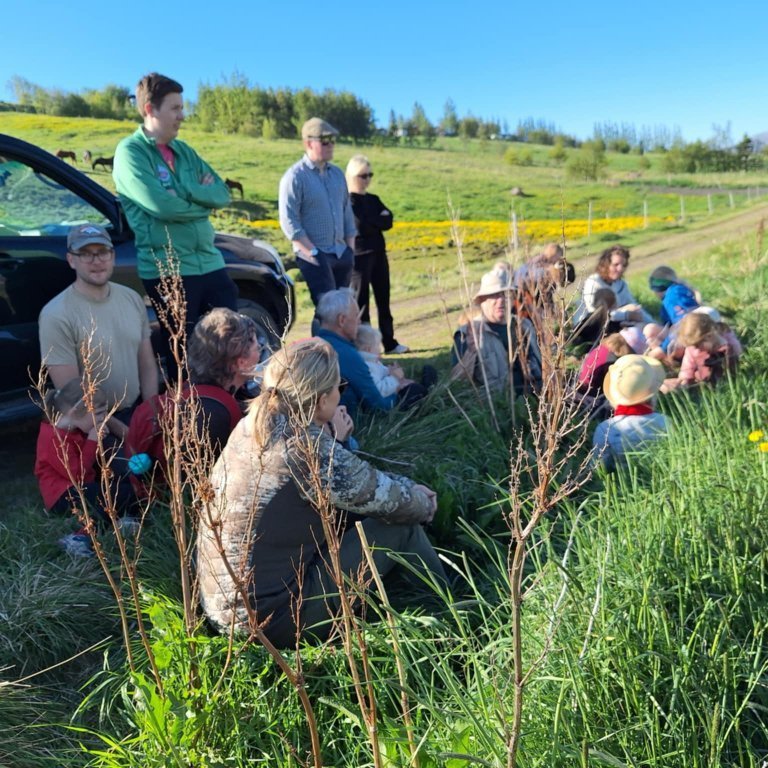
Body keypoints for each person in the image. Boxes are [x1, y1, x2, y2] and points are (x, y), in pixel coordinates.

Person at [197, 338, 446, 648]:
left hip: (224, 610)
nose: (340, 393)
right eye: (338, 386)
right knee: (400, 527)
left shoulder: (252, 425)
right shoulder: (305, 448)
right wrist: (422, 501)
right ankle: (451, 614)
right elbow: (386, 499)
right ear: (319, 399)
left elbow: (354, 486)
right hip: (270, 621)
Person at [113, 72, 238, 370]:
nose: (182, 116)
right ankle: (186, 414)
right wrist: (200, 202)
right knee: (184, 358)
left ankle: (226, 408)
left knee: (231, 346)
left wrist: (185, 191)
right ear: (150, 110)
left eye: (182, 107)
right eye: (175, 108)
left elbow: (221, 194)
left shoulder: (184, 151)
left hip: (210, 262)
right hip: (169, 270)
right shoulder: (130, 153)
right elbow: (161, 206)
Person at [39, 223, 159, 439]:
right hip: (93, 428)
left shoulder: (131, 298)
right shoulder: (56, 315)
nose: (96, 261)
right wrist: (123, 433)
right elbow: (71, 394)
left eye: (102, 252)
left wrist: (151, 413)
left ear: (112, 256)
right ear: (71, 260)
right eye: (85, 254)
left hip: (137, 413)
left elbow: (147, 363)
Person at [34, 379, 139, 555]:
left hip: (82, 487)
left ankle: (121, 521)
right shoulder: (53, 438)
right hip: (63, 495)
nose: (102, 419)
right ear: (76, 412)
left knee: (128, 489)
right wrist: (92, 440)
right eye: (98, 414)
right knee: (119, 495)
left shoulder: (73, 429)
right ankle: (78, 538)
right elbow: (78, 476)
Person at [279, 118, 356, 313]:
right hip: (314, 256)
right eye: (325, 140)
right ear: (308, 143)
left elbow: (347, 212)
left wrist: (350, 250)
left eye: (332, 139)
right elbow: (289, 222)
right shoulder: (295, 177)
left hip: (341, 252)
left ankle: (339, 345)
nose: (331, 144)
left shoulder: (337, 174)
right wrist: (313, 252)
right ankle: (322, 345)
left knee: (345, 310)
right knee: (327, 312)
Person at [346, 154, 408, 354]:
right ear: (354, 175)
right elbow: (360, 225)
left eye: (369, 175)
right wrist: (376, 220)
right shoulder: (348, 201)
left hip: (379, 255)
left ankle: (389, 343)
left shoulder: (373, 199)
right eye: (363, 175)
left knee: (384, 300)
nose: (367, 179)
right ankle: (365, 346)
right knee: (361, 303)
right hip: (359, 257)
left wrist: (374, 220)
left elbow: (388, 221)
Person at [451, 264, 542, 395]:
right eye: (493, 295)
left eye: (505, 294)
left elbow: (542, 367)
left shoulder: (525, 325)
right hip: (498, 408)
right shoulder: (467, 334)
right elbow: (457, 383)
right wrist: (470, 354)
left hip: (539, 401)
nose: (501, 300)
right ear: (481, 300)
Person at [316, 289, 401, 416]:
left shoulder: (315, 344)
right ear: (342, 320)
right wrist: (400, 394)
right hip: (345, 423)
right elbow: (378, 407)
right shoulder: (345, 354)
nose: (359, 322)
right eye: (356, 316)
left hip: (319, 422)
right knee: (414, 391)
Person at [592, 354, 668, 471]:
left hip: (620, 485)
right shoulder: (665, 423)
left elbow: (598, 468)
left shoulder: (605, 429)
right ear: (652, 392)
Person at [573, 245, 653, 341]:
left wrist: (652, 323)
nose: (620, 269)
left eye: (623, 265)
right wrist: (626, 314)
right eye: (616, 265)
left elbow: (634, 306)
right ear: (606, 264)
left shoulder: (621, 284)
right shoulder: (593, 283)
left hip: (615, 322)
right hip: (591, 330)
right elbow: (595, 315)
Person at [355, 323, 435, 405]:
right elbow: (380, 390)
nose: (380, 349)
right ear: (368, 349)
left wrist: (392, 372)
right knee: (414, 389)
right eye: (377, 345)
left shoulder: (372, 362)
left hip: (394, 392)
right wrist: (394, 377)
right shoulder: (368, 366)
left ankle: (425, 387)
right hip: (392, 400)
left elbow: (383, 376)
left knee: (414, 385)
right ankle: (427, 389)